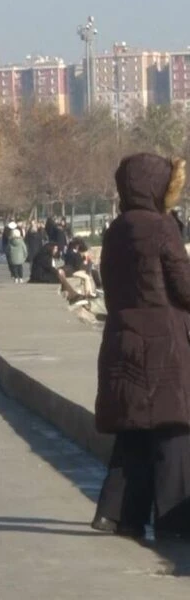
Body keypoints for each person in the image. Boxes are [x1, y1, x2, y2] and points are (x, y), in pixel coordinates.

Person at [92, 153, 190, 540]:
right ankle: (174, 520)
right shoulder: (162, 228)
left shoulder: (115, 229)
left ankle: (116, 514)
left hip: (121, 336)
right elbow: (182, 287)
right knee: (174, 429)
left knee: (132, 431)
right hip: (163, 342)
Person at [28, 242, 88, 306]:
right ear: (50, 248)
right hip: (39, 277)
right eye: (55, 248)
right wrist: (58, 271)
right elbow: (50, 268)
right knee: (60, 276)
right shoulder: (44, 257)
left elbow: (50, 269)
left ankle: (72, 295)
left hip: (42, 275)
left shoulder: (45, 255)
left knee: (61, 275)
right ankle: (73, 295)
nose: (56, 250)